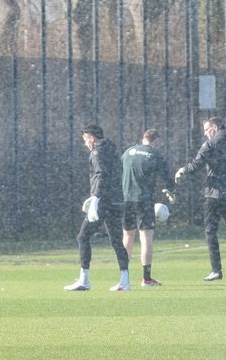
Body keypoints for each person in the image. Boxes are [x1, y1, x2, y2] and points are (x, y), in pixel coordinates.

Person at [174, 116, 226, 283]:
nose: (205, 134)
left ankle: (216, 270)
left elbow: (197, 164)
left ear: (215, 128)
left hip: (215, 194)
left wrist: (182, 170)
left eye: (206, 130)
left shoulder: (211, 144)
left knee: (210, 231)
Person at [65, 124, 131, 290]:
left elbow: (101, 174)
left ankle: (84, 280)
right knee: (116, 240)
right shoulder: (112, 149)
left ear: (92, 138)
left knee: (83, 237)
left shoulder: (96, 152)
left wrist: (95, 197)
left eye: (85, 139)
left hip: (104, 201)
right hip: (117, 200)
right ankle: (125, 280)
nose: (85, 143)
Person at [121, 129, 175, 287]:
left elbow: (118, 171)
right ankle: (146, 278)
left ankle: (124, 276)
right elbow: (166, 177)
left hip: (126, 199)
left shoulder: (128, 152)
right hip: (144, 200)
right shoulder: (154, 155)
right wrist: (171, 190)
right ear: (156, 141)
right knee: (146, 238)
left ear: (143, 138)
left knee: (127, 236)